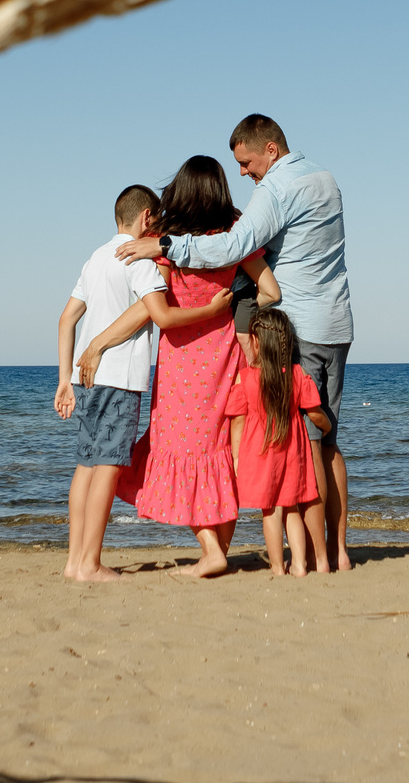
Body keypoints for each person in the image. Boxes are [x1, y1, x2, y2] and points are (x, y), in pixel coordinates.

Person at [118, 114, 358, 569]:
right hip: (337, 323)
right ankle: (338, 552)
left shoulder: (274, 191)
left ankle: (312, 559)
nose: (244, 173)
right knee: (325, 441)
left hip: (291, 329)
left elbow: (232, 247)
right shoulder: (327, 180)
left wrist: (167, 247)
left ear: (270, 149)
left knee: (301, 450)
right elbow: (262, 273)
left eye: (247, 162)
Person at [76, 156, 277, 578]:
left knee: (175, 453)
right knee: (219, 453)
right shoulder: (234, 238)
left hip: (181, 365)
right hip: (225, 358)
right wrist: (230, 316)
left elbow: (149, 311)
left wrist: (98, 342)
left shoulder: (169, 242)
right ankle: (217, 549)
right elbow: (270, 292)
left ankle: (211, 551)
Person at [52, 185, 187, 582]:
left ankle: (75, 561)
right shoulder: (139, 257)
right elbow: (151, 311)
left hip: (84, 379)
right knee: (107, 468)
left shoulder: (94, 259)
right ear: (148, 217)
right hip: (119, 377)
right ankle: (90, 564)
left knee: (86, 466)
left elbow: (65, 319)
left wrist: (64, 379)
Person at [224, 307, 331, 574]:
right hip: (292, 450)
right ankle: (299, 564)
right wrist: (327, 428)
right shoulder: (296, 375)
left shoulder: (246, 377)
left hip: (259, 453)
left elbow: (237, 422)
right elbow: (315, 412)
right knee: (291, 508)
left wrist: (237, 458)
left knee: (270, 512)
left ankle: (277, 567)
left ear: (256, 342)